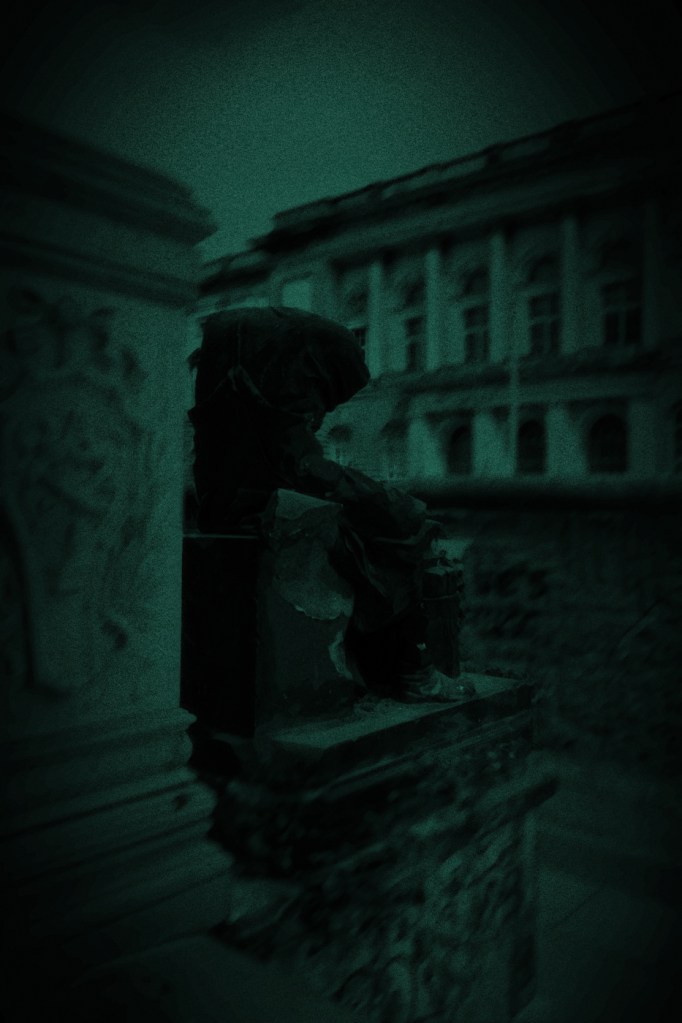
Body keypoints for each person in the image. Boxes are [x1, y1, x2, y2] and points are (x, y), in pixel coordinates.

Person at [188, 305, 473, 702]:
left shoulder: (230, 400)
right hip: (266, 514)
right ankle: (410, 666)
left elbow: (299, 468)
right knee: (393, 537)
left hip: (238, 509)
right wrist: (387, 501)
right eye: (320, 390)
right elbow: (306, 469)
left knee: (382, 531)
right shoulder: (272, 411)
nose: (323, 410)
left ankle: (400, 663)